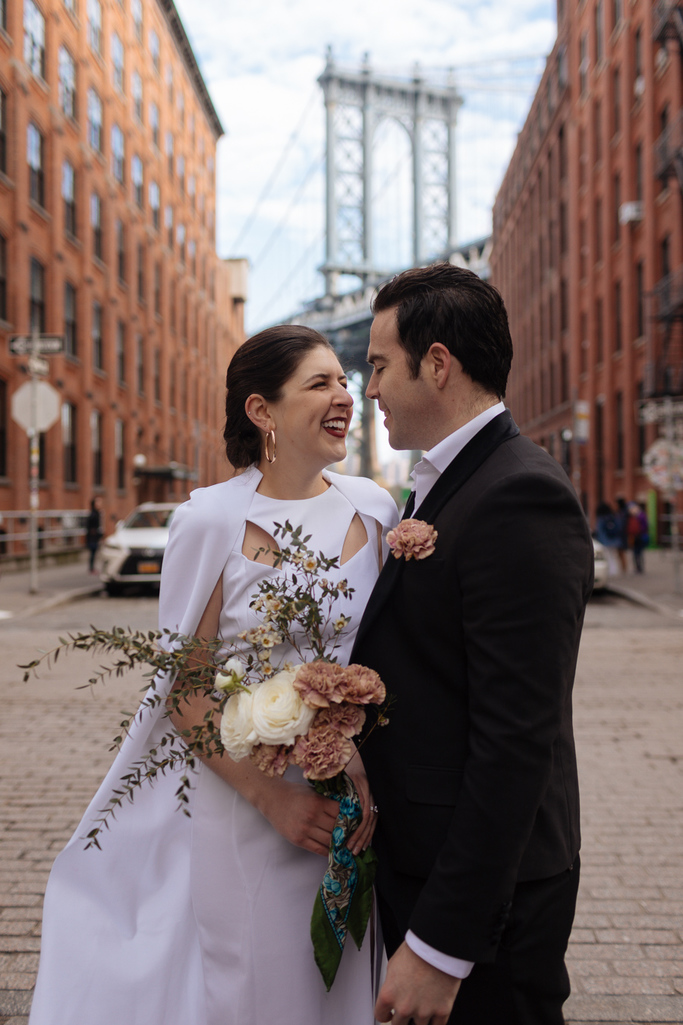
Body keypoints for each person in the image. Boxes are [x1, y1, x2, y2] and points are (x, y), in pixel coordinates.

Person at [28, 325, 398, 1025]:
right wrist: (273, 799)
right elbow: (185, 692)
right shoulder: (209, 519)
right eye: (319, 384)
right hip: (245, 806)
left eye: (344, 381)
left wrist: (363, 766)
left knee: (346, 988)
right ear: (262, 411)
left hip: (353, 803)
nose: (344, 397)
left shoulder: (373, 508)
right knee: (257, 986)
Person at [351, 264, 594, 1025]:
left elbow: (517, 739)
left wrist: (441, 944)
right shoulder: (446, 484)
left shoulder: (518, 493)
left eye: (379, 365)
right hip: (428, 867)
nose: (370, 391)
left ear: (437, 364)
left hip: (485, 912)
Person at [595, 500, 622, 577]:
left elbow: (599, 531)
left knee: (607, 557)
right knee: (613, 556)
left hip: (605, 541)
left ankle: (610, 572)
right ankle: (615, 571)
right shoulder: (613, 516)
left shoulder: (601, 518)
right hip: (614, 540)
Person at [627, 501, 649, 573]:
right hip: (634, 537)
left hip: (640, 536)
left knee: (639, 553)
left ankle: (640, 567)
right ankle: (637, 567)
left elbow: (644, 526)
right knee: (635, 553)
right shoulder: (632, 516)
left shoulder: (641, 515)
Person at [84, 496, 103, 573]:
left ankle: (92, 568)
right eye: (98, 502)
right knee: (92, 553)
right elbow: (90, 527)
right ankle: (91, 568)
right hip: (92, 537)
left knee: (94, 553)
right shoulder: (93, 514)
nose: (100, 504)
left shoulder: (97, 513)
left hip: (95, 537)